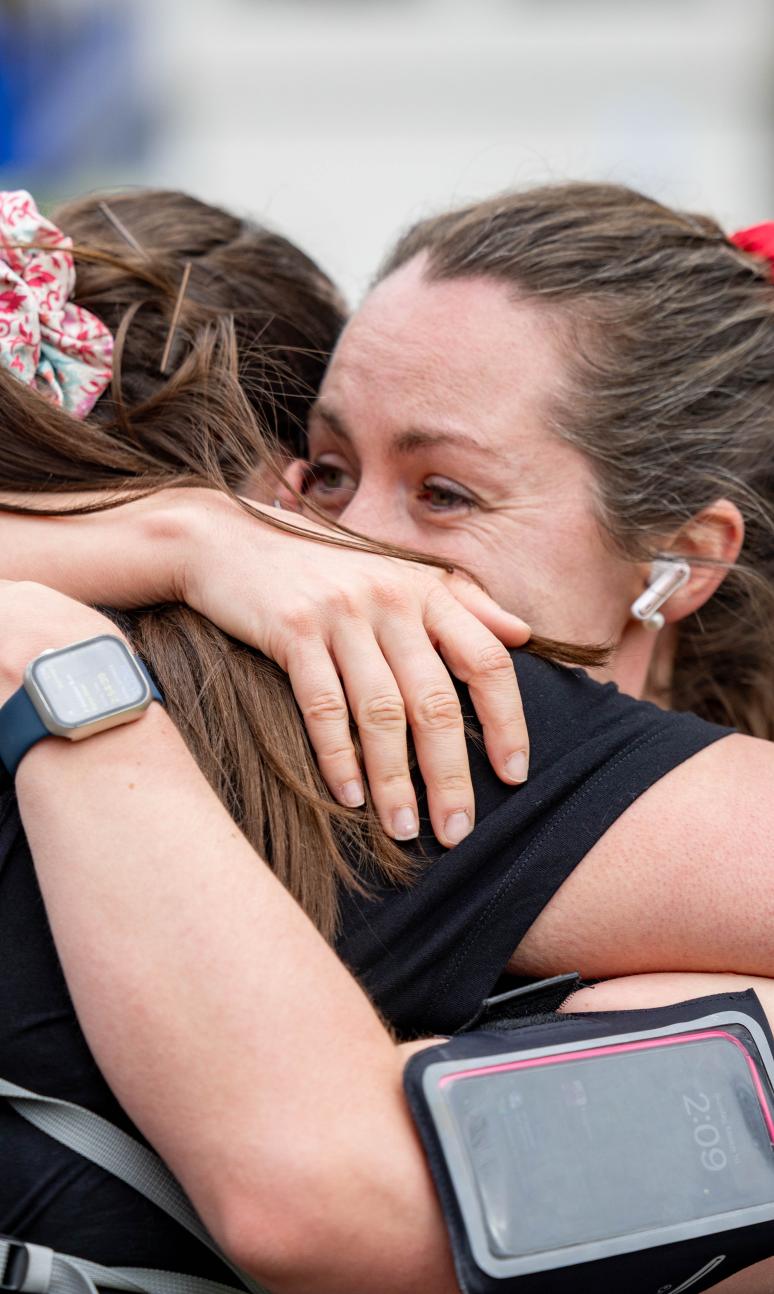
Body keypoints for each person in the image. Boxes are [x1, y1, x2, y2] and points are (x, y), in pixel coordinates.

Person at [1, 183, 774, 1289]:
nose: (342, 544)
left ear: (679, 560)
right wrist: (182, 540)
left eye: (443, 492)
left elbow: (330, 1190)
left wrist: (60, 644)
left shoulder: (454, 727)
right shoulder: (289, 687)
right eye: (326, 472)